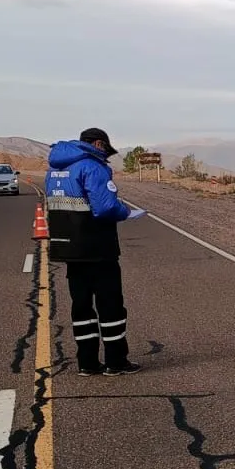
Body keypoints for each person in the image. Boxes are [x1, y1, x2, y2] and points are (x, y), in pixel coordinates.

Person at [44, 127, 145, 376]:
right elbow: (105, 208)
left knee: (81, 306)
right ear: (99, 144)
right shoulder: (92, 167)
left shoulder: (54, 170)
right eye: (105, 150)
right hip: (97, 246)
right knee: (110, 306)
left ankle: (87, 362)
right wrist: (125, 212)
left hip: (68, 247)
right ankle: (116, 361)